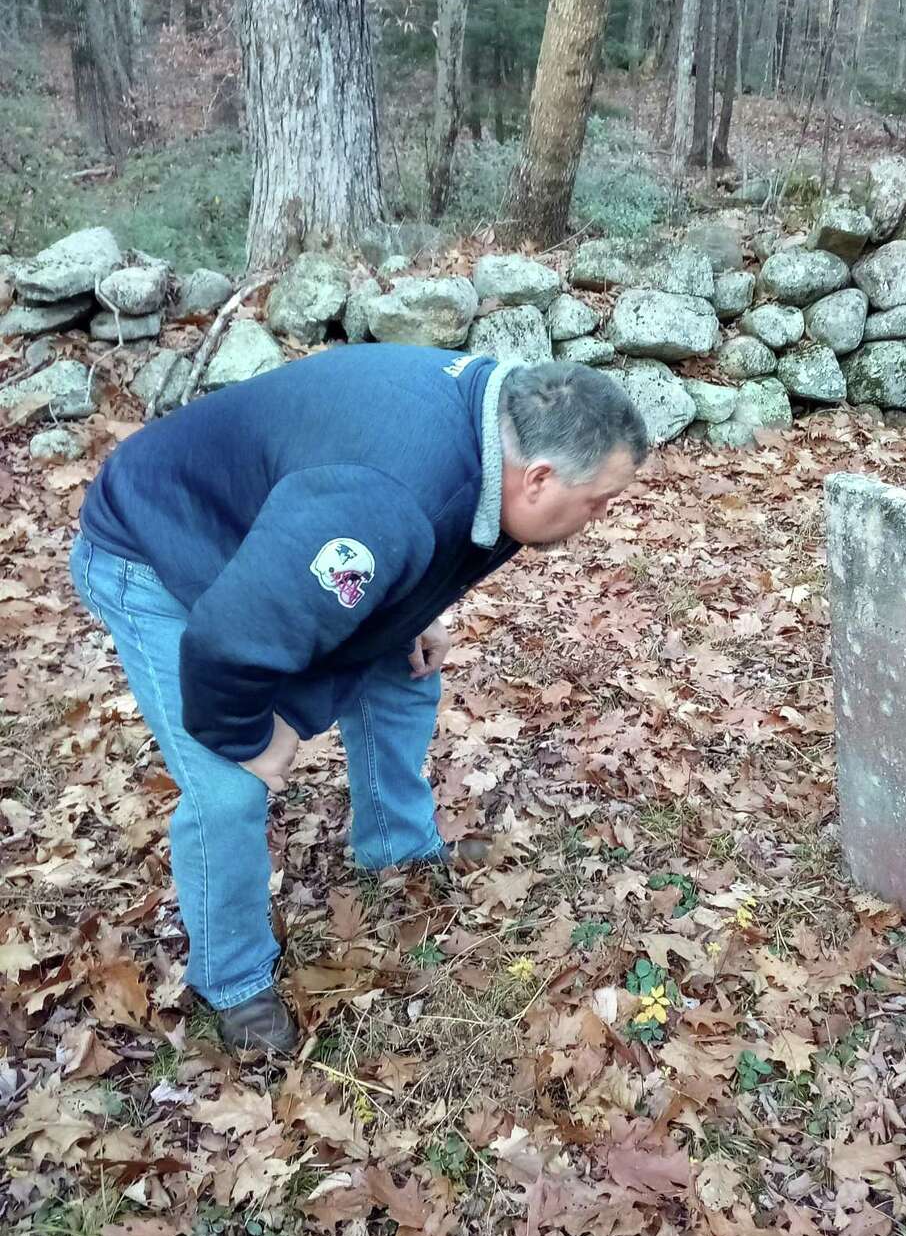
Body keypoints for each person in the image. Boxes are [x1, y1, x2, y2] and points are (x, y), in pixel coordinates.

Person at [70, 346, 648, 1055]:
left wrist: (414, 603)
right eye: (599, 500)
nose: (602, 516)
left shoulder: (493, 424)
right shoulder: (384, 501)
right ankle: (234, 980)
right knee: (226, 791)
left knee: (405, 666)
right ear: (538, 477)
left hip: (275, 528)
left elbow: (410, 525)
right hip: (158, 543)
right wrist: (253, 739)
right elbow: (229, 641)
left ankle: (397, 846)